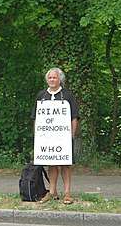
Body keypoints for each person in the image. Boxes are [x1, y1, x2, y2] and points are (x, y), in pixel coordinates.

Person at [31, 67, 79, 204]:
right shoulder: (42, 96)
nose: (52, 80)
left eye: (55, 77)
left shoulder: (68, 96)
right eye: (50, 78)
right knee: (51, 163)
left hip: (64, 137)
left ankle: (67, 193)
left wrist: (71, 136)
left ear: (60, 80)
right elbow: (36, 118)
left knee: (65, 164)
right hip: (46, 138)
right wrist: (37, 137)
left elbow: (74, 117)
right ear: (47, 79)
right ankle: (52, 192)